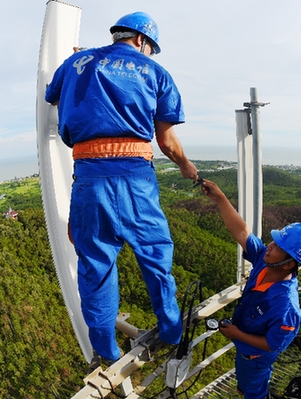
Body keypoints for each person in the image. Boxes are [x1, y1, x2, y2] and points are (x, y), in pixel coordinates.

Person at [45, 11, 198, 365]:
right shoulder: (155, 73)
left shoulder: (75, 62)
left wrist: (82, 62)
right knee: (156, 258)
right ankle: (172, 333)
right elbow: (167, 141)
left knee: (95, 267)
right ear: (143, 41)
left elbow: (55, 96)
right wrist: (187, 166)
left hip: (88, 179)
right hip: (135, 180)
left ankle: (107, 351)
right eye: (150, 49)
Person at [200, 179, 301, 399]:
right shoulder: (264, 262)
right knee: (250, 382)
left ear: (288, 264)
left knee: (251, 391)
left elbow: (272, 345)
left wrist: (237, 333)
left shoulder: (286, 308)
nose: (271, 246)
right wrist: (219, 197)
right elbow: (242, 233)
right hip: (246, 349)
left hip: (255, 356)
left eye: (278, 247)